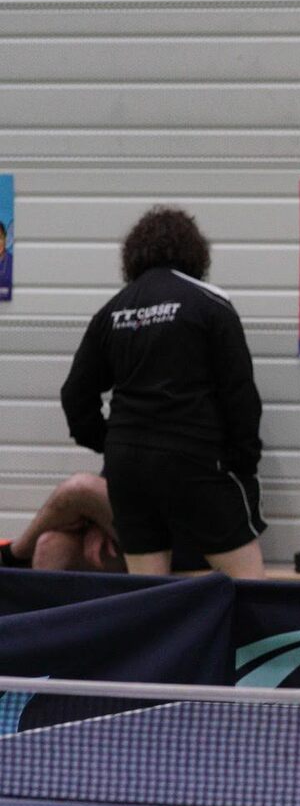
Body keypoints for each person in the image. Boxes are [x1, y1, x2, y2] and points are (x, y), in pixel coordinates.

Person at [58, 206, 267, 578]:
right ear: (195, 253)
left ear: (132, 256)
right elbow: (240, 395)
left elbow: (75, 394)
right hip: (193, 459)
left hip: (128, 467)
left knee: (149, 595)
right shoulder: (209, 302)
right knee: (250, 587)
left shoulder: (112, 311)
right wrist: (242, 463)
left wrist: (110, 443)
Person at [0, 473, 209, 573]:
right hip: (149, 528)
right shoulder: (142, 413)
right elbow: (120, 462)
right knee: (52, 545)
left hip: (197, 537)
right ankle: (46, 638)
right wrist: (97, 519)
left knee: (79, 488)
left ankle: (12, 555)